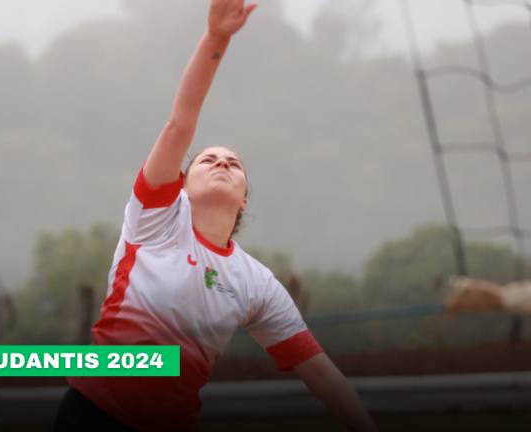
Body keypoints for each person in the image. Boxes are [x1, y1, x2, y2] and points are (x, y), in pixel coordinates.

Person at [54, 1, 379, 431]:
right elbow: (179, 125)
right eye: (208, 159)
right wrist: (216, 38)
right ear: (182, 187)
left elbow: (319, 372)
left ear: (244, 200)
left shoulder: (256, 283)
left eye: (234, 164)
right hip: (94, 415)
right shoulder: (154, 218)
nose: (223, 162)